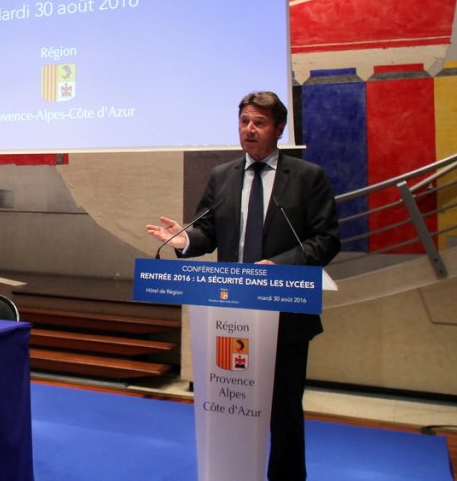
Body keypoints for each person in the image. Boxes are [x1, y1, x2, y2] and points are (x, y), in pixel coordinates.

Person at [145, 91, 340, 481]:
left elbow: (326, 239)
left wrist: (278, 266)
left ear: (279, 129)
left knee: (283, 409)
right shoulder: (223, 176)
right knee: (230, 403)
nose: (249, 130)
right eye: (244, 121)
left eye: (259, 123)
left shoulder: (307, 177)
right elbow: (208, 232)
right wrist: (186, 242)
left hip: (283, 312)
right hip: (229, 314)